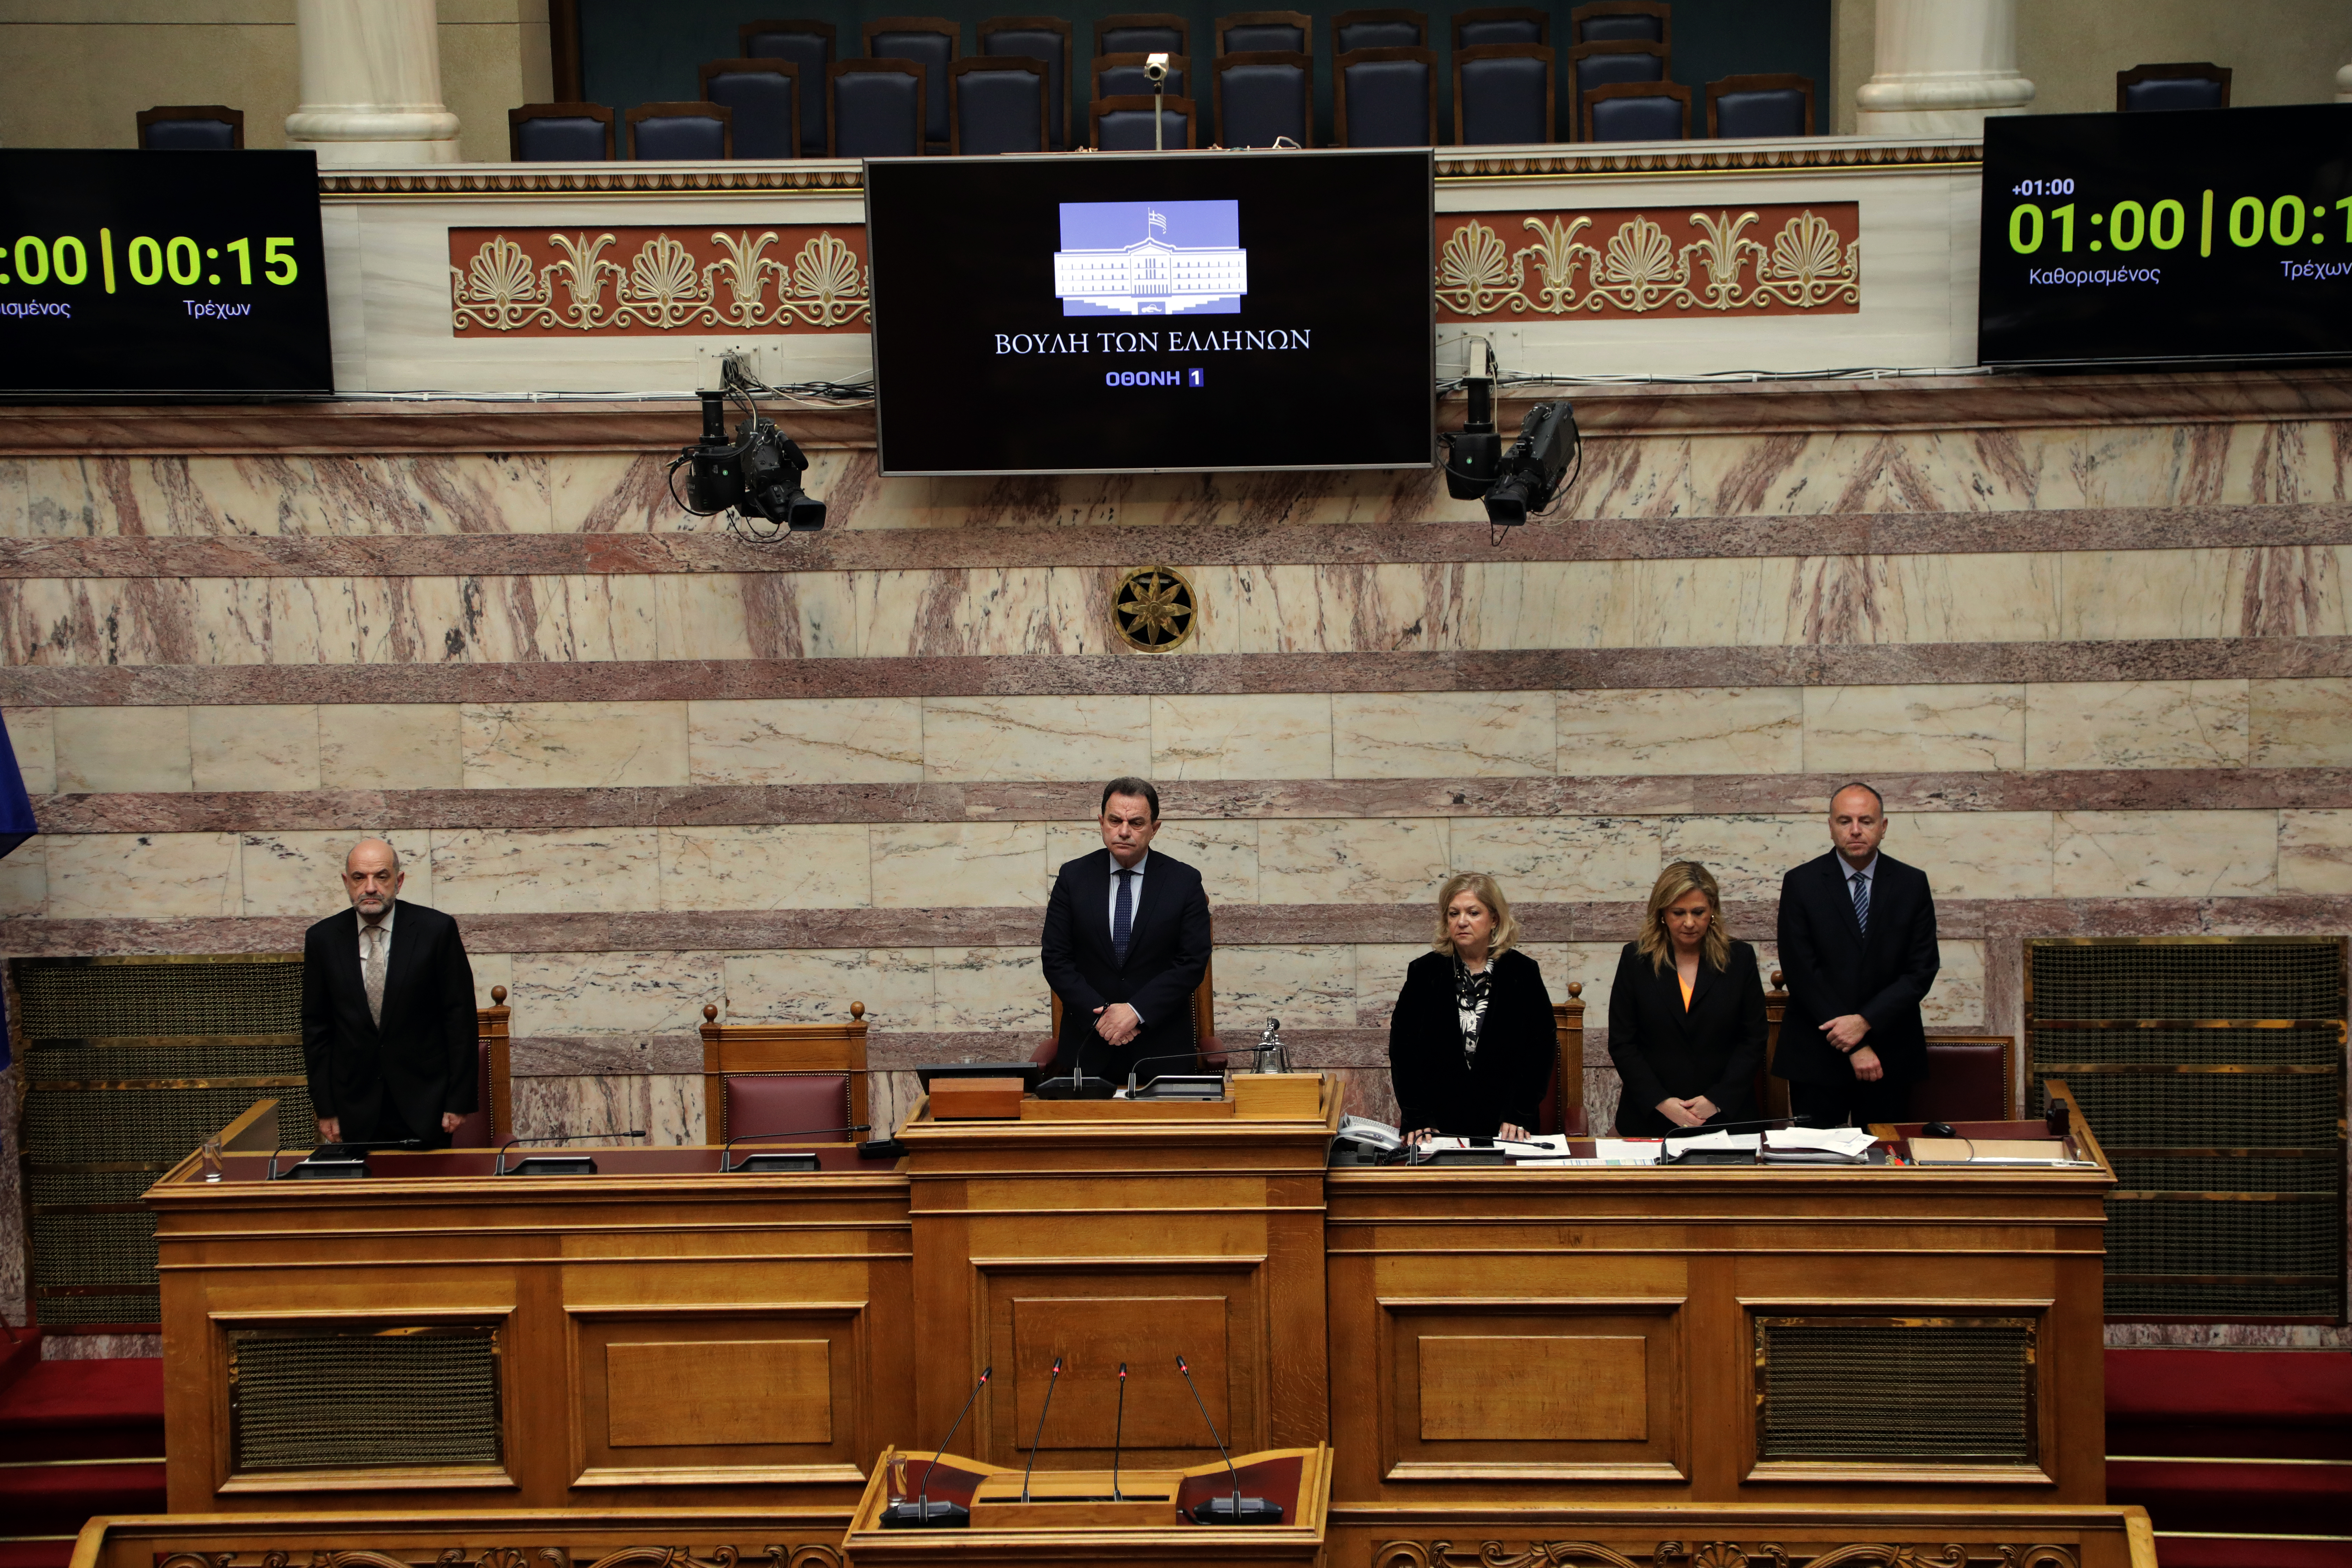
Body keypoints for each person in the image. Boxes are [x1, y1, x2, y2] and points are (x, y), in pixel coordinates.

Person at [1773, 782, 1941, 1127]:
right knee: (1816, 1164)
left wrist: (1864, 1022)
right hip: (1817, 1053)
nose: (1855, 830)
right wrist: (1852, 1042)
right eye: (1844, 820)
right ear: (1831, 826)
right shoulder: (1801, 883)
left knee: (1886, 1163)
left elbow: (1921, 969)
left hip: (1890, 1052)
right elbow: (1801, 970)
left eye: (1865, 820)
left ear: (1883, 827)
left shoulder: (1912, 883)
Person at [300, 838, 480, 1149]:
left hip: (426, 1105)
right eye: (360, 878)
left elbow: (460, 1019)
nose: (370, 888)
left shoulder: (436, 931)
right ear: (347, 882)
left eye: (381, 877)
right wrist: (325, 1107)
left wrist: (458, 1100)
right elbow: (317, 1030)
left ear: (399, 881)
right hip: (353, 1107)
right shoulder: (322, 940)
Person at [1039, 777, 1213, 1085]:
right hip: (1087, 1051)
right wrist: (1103, 1017)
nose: (1123, 831)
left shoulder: (1184, 882)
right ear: (1101, 822)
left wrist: (1136, 1012)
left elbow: (1192, 963)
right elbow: (1056, 959)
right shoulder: (1073, 878)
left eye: (1136, 823)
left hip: (1162, 1052)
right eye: (1115, 820)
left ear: (1154, 828)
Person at [1388, 871, 1556, 1142]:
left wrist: (1519, 1114)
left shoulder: (1523, 972)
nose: (1462, 922)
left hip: (1508, 1126)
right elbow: (1403, 1050)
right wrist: (1417, 1116)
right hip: (1437, 1127)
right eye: (1454, 914)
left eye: (1473, 913)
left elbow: (1540, 1051)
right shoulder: (1424, 972)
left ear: (1495, 919)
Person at [1607, 861, 1767, 1136]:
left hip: (1726, 1118)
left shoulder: (1739, 959)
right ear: (1662, 914)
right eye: (1678, 913)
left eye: (1699, 912)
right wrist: (1662, 1102)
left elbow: (1753, 1039)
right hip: (1652, 1117)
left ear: (1713, 912)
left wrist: (1716, 1100)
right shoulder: (1636, 960)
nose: (1689, 923)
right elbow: (1623, 1043)